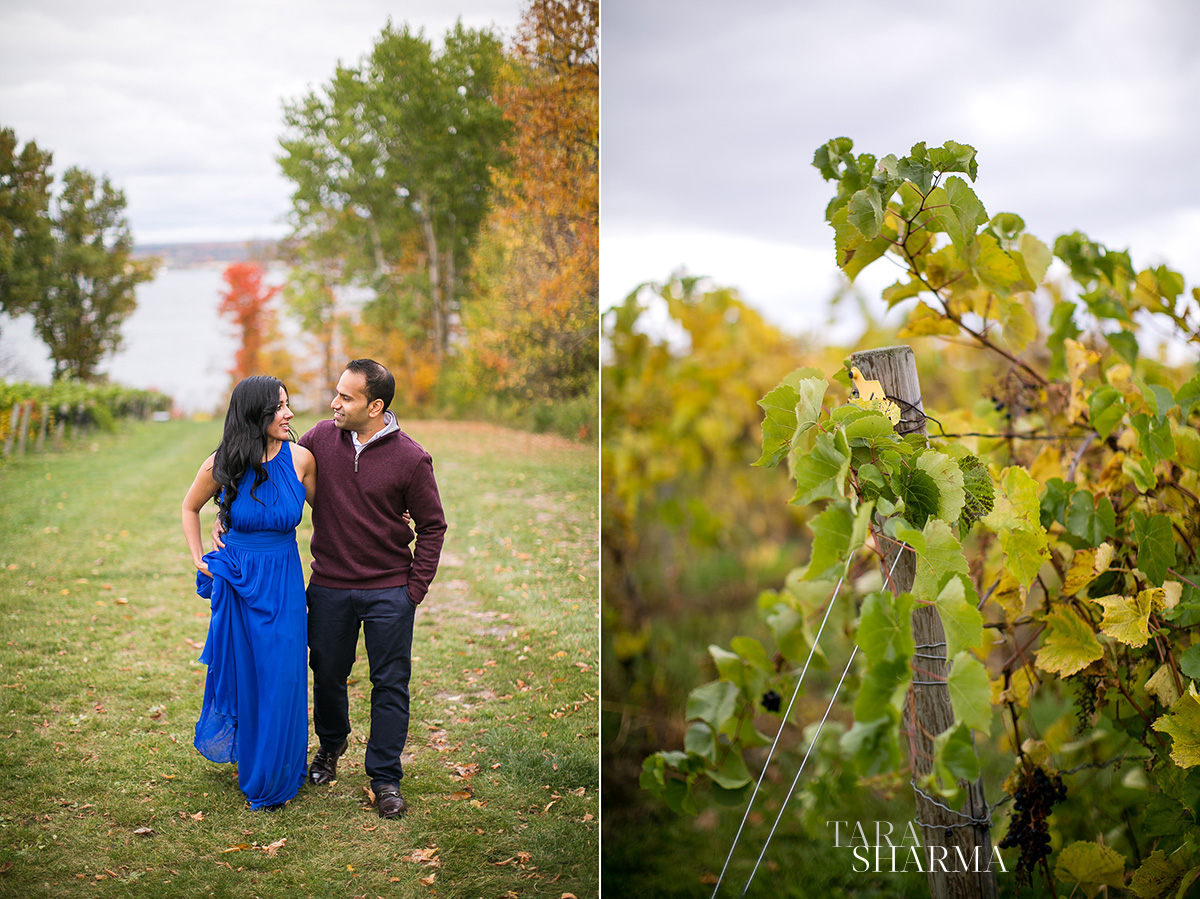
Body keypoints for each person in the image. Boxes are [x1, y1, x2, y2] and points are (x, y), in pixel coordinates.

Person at [299, 358, 447, 819]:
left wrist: (413, 591)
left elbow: (433, 527)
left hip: (388, 591)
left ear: (375, 405)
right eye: (336, 393)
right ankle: (331, 745)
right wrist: (224, 514)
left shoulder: (411, 458)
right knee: (326, 673)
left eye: (346, 397)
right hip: (328, 586)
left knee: (391, 684)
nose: (334, 403)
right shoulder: (321, 437)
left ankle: (385, 777)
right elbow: (270, 464)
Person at [181, 375, 317, 810]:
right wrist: (199, 555)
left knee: (283, 673)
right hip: (238, 580)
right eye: (278, 407)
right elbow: (189, 507)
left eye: (287, 404)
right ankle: (254, 756)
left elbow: (336, 511)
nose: (289, 414)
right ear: (253, 414)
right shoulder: (223, 462)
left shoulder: (301, 460)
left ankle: (277, 768)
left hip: (283, 579)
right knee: (246, 672)